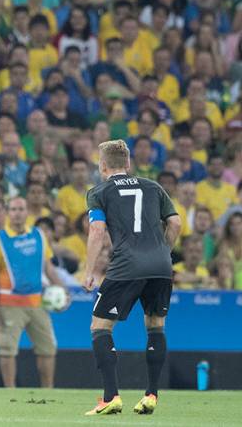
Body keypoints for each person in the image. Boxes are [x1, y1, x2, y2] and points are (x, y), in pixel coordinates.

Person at [82, 139, 182, 416]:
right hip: (161, 266)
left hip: (127, 265)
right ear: (128, 164)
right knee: (155, 325)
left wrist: (90, 270)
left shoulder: (99, 192)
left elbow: (97, 231)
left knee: (100, 327)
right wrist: (163, 251)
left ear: (102, 167)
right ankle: (151, 394)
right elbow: (175, 222)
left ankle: (110, 397)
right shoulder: (153, 187)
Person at [0, 196, 65, 389]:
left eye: (21, 209)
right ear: (7, 213)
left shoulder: (39, 235)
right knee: (7, 350)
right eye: (13, 209)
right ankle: (9, 390)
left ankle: (49, 390)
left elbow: (48, 267)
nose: (17, 213)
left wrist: (62, 289)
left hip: (37, 303)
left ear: (27, 212)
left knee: (48, 349)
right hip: (9, 304)